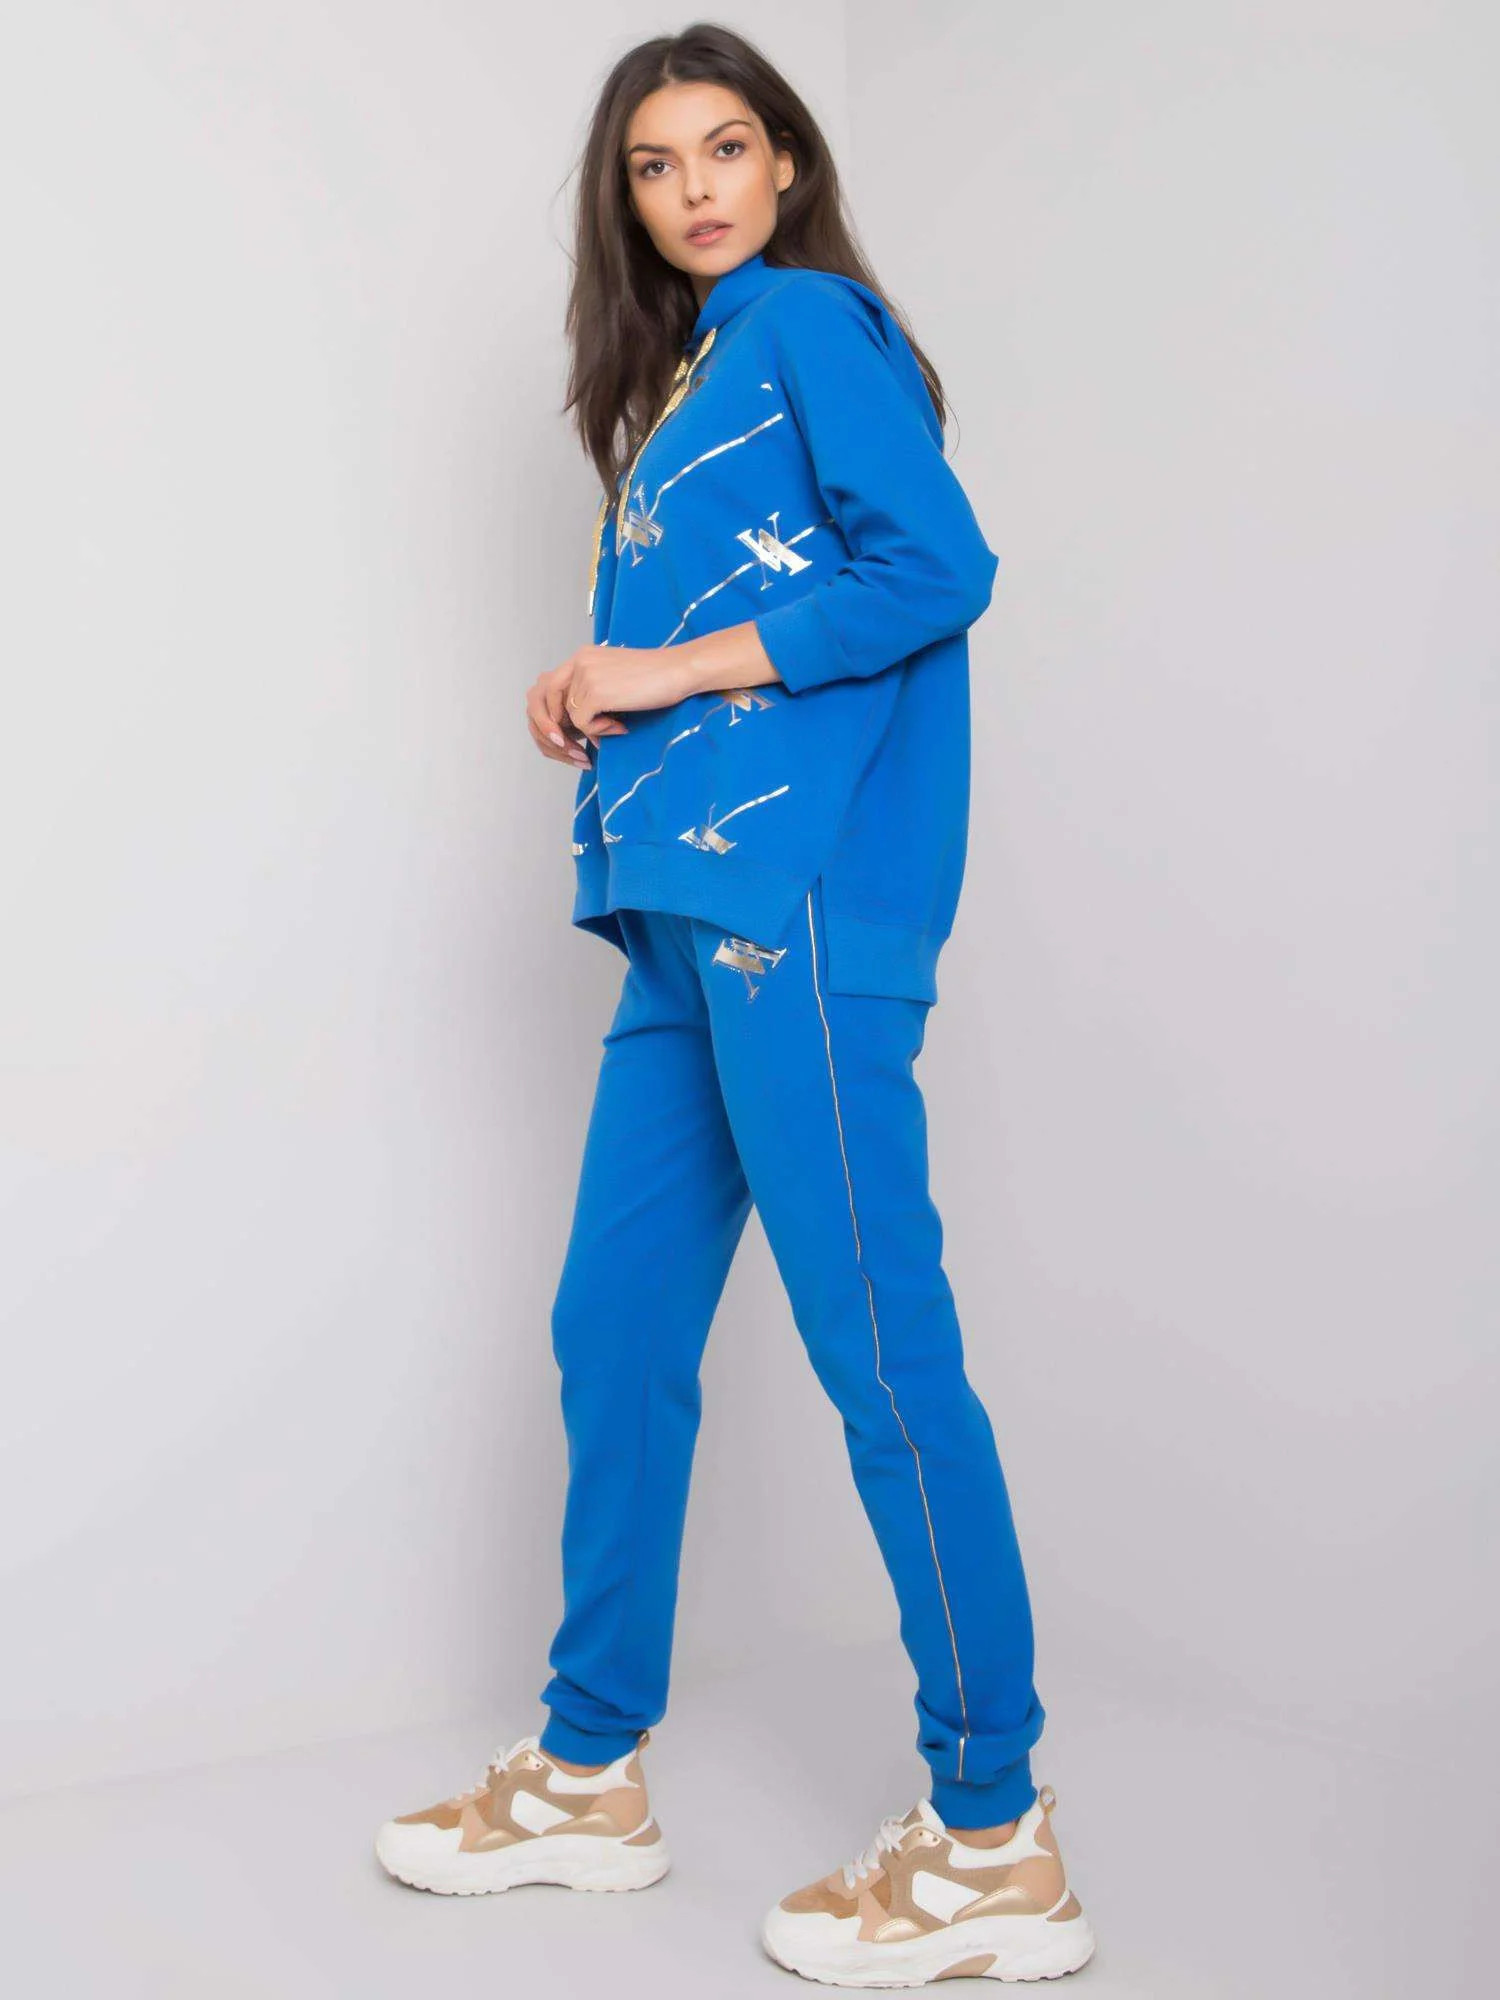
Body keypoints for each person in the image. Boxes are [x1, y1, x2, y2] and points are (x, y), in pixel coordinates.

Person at [374, 22, 1096, 1988]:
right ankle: (589, 1770)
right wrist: (594, 684)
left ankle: (992, 1834)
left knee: (881, 1356)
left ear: (786, 166)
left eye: (727, 147)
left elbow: (935, 567)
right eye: (654, 163)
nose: (694, 187)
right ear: (625, 200)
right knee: (613, 1328)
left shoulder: (810, 324)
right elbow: (724, 629)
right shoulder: (687, 374)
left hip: (801, 916)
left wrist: (666, 668)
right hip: (690, 917)